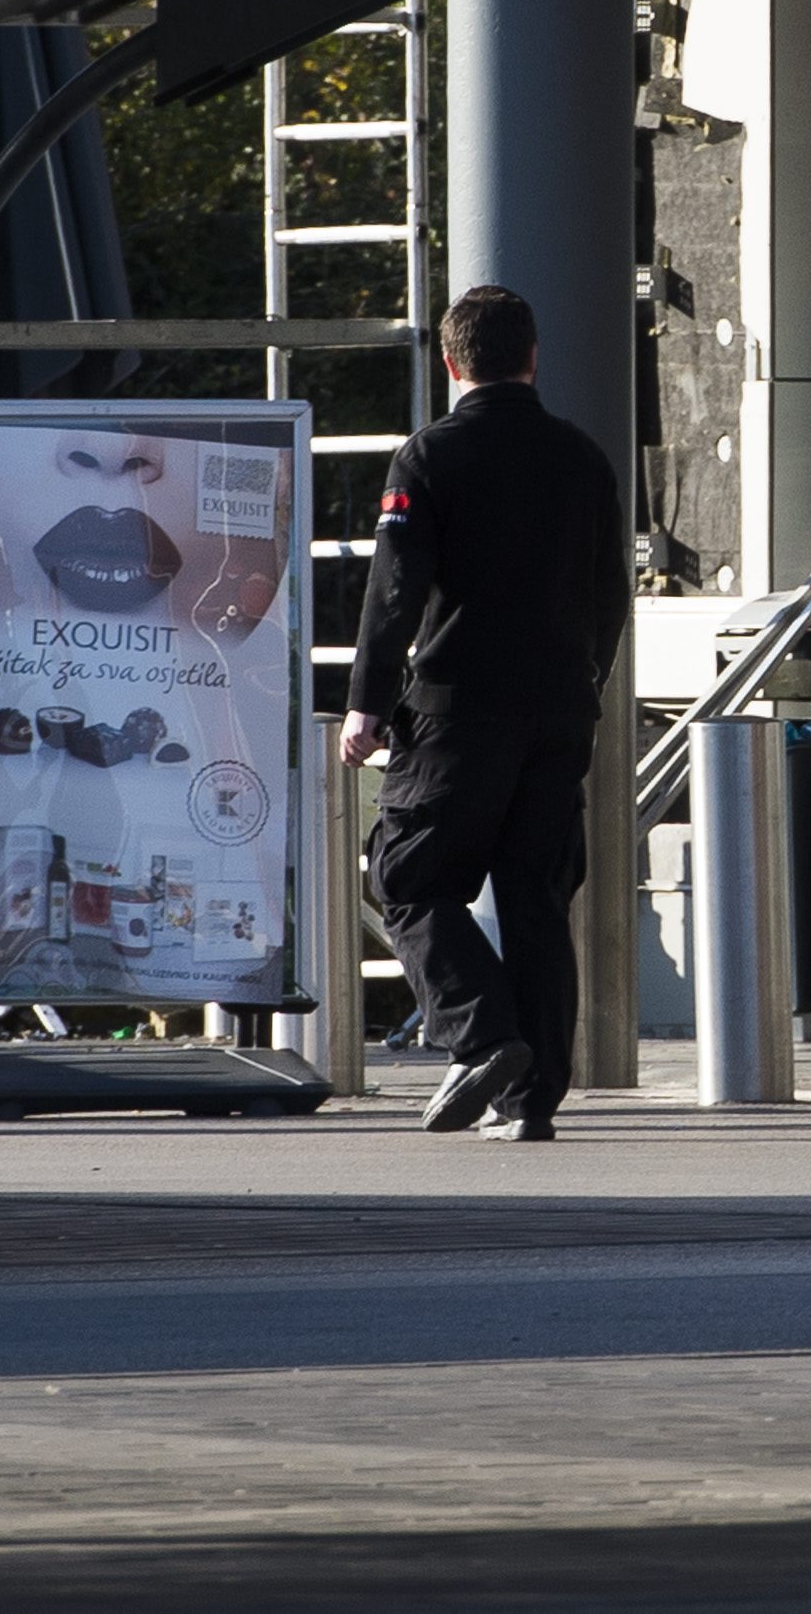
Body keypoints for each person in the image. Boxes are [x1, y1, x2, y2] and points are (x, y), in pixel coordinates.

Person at [342, 286, 631, 1141]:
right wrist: (586, 680)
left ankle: (483, 1037)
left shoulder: (429, 456)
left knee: (407, 878)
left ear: (449, 361)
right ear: (533, 356)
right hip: (560, 712)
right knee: (536, 897)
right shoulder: (583, 457)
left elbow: (395, 590)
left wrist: (366, 702)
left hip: (457, 710)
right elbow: (610, 594)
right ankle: (530, 1100)